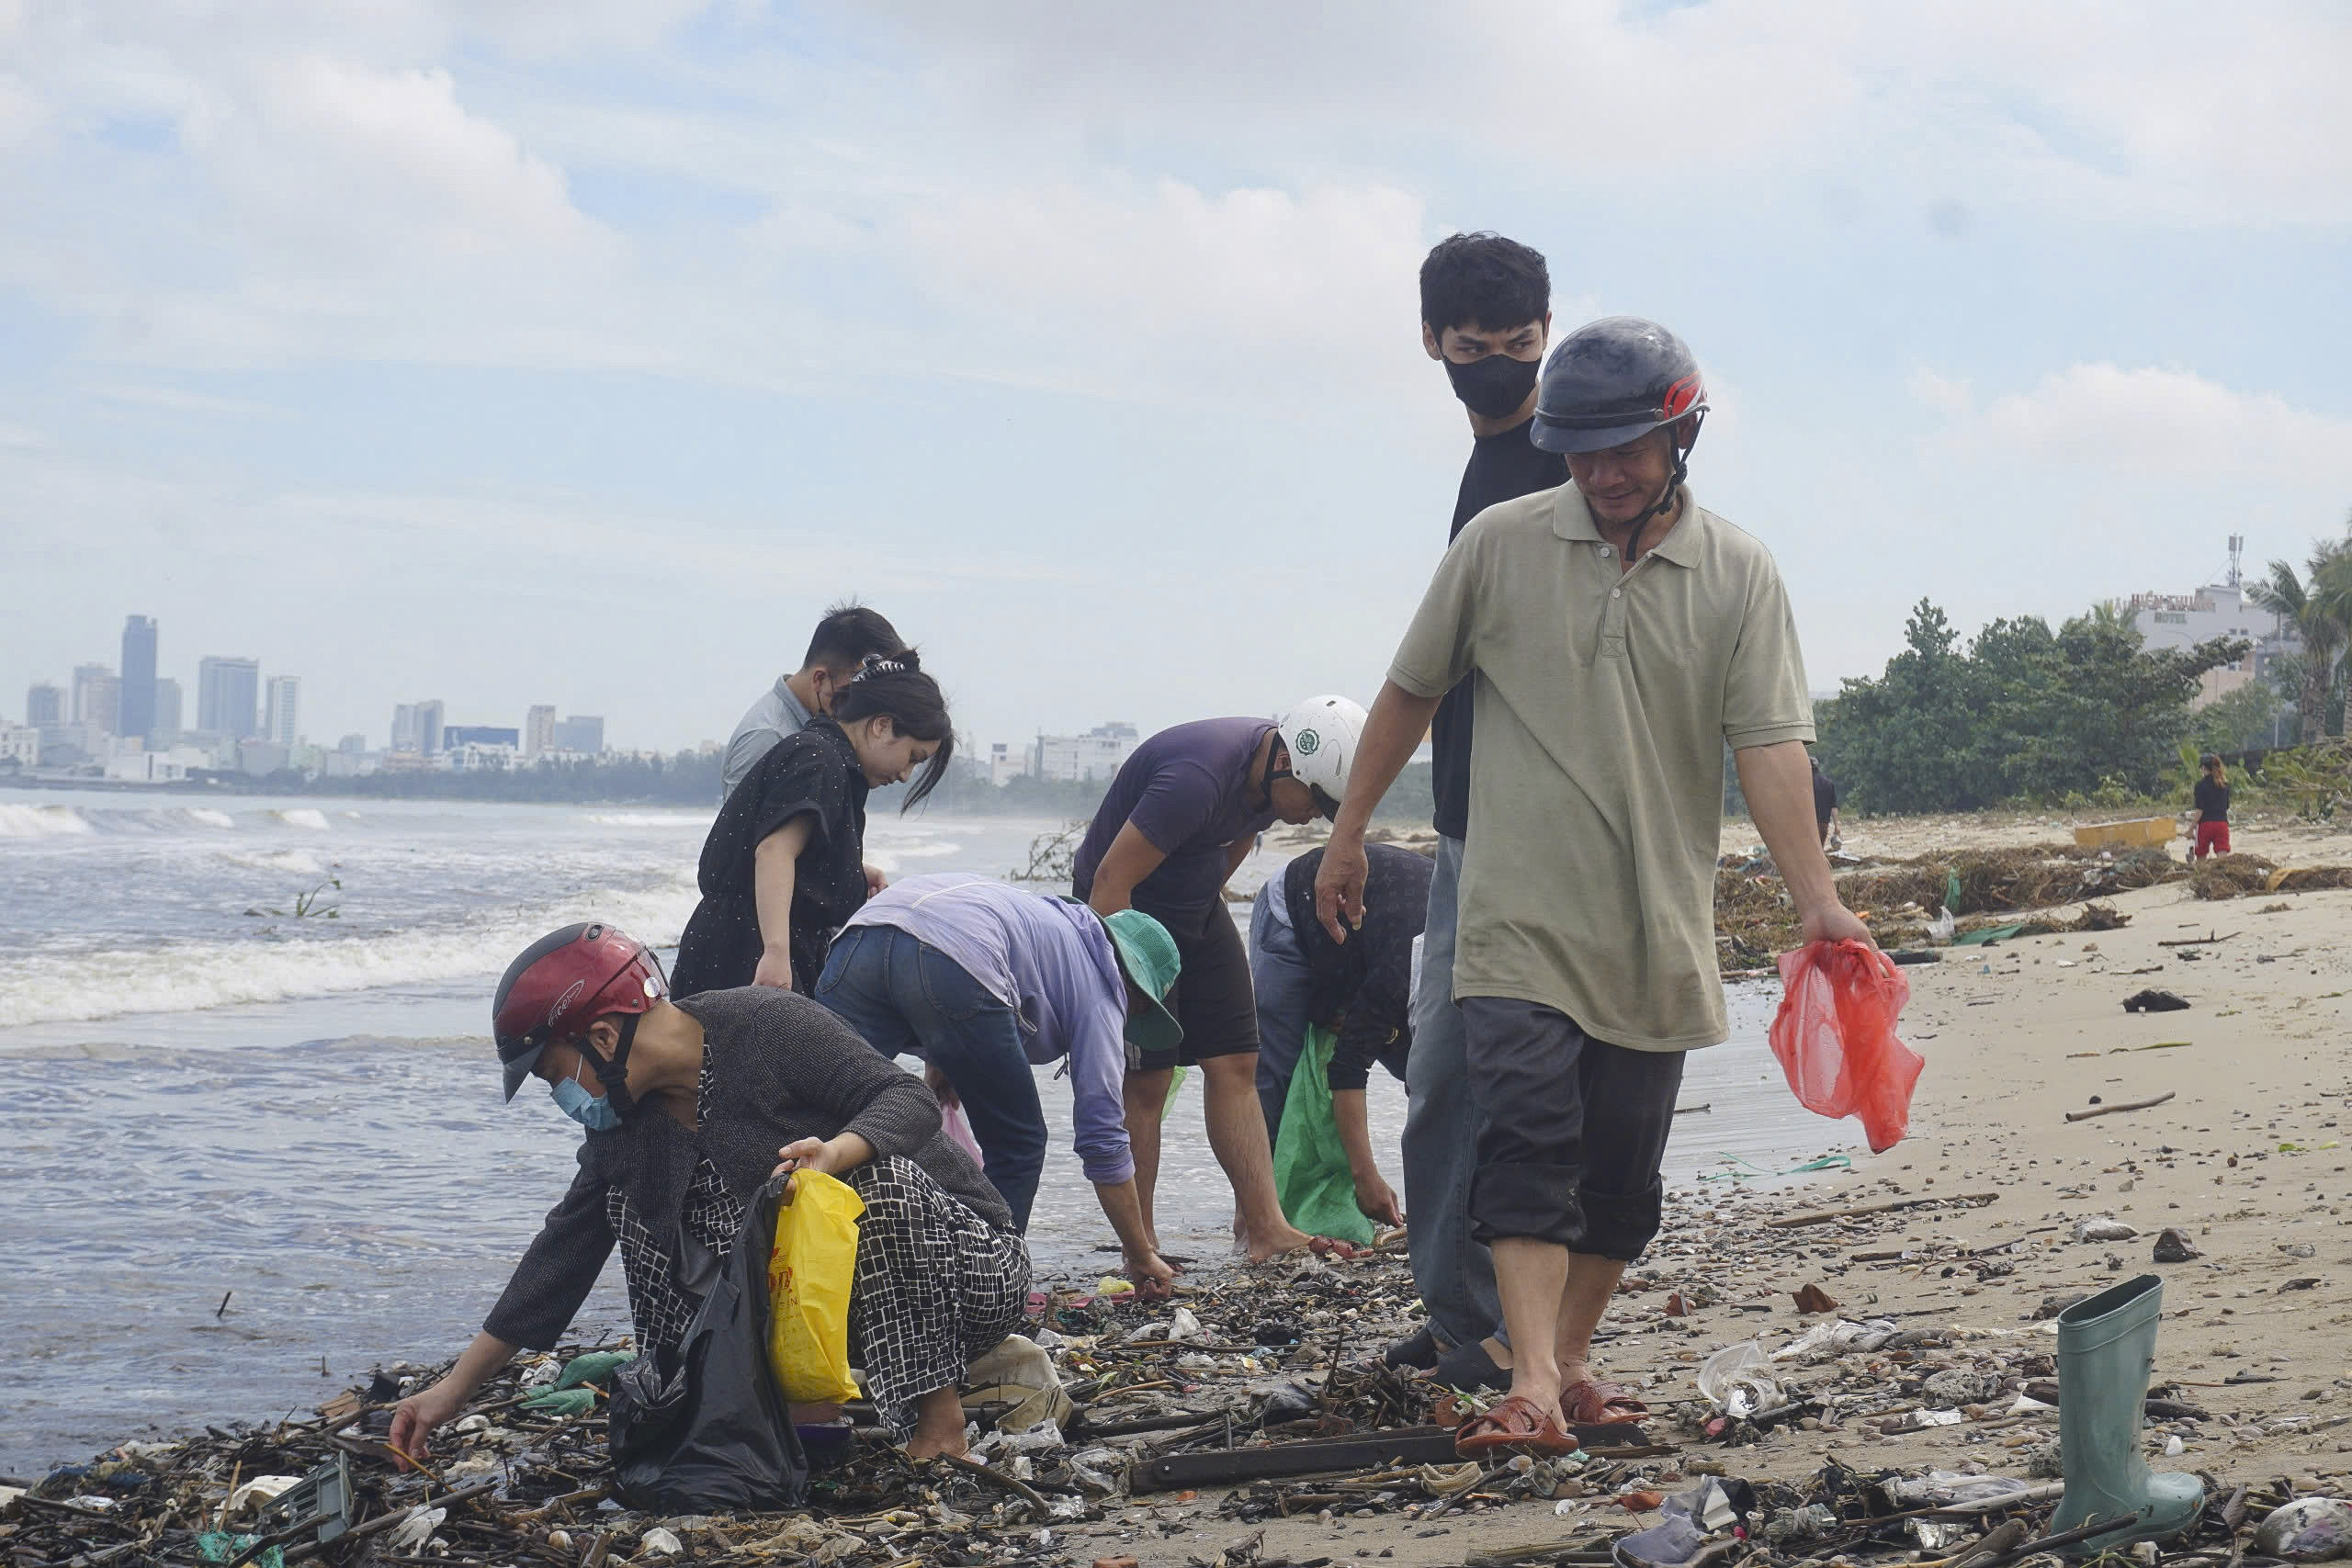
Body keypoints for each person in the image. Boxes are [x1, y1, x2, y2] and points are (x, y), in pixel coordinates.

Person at [1317, 317, 1871, 1456]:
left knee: (1620, 1176)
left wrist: (1816, 899)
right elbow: (1410, 690)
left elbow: (1768, 749)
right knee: (1525, 1146)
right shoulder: (1497, 543)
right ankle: (1523, 1379)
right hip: (1517, 915)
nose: (1603, 475)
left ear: (1683, 432)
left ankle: (1569, 1359)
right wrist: (1351, 831)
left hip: (1654, 922)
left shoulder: (1738, 572)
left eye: (1627, 450)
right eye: (1581, 453)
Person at [387, 923, 1028, 1461]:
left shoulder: (766, 1024)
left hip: (966, 1273)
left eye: (557, 1073)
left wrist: (836, 1152)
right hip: (836, 1313)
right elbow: (562, 1252)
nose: (564, 1096)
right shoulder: (626, 1127)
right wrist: (451, 1389)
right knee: (629, 1206)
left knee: (868, 1181)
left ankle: (940, 1423)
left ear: (603, 1038)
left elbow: (906, 1097)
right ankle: (705, 1415)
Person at [1390, 231, 1573, 1390]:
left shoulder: (1572, 465)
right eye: (1474, 351)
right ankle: (1464, 1320)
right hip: (1465, 818)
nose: (1498, 369)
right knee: (1443, 1084)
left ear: (1547, 335)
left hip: (1539, 823)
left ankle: (1512, 1334)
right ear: (1433, 348)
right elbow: (1432, 669)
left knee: (1490, 1080)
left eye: (1517, 348)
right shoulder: (1479, 476)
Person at [1072, 696, 1364, 1263]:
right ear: (1286, 763)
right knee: (1147, 1079)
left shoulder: (1270, 790)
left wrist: (1201, 916)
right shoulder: (1197, 777)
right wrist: (1126, 983)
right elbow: (1108, 882)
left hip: (1194, 907)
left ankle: (1266, 1227)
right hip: (1127, 909)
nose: (1313, 817)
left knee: (1236, 1061)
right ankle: (1142, 1246)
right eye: (1316, 802)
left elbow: (1231, 848)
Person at [815, 871, 1186, 1295]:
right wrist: (1139, 1253)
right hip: (954, 958)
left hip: (859, 937)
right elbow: (1103, 1136)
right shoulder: (1104, 987)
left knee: (828, 1113)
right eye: (1139, 1011)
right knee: (1018, 1143)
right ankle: (989, 1287)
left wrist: (942, 1059)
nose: (1129, 1019)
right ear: (1135, 990)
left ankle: (812, 1267)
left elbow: (923, 942)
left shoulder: (1050, 923)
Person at [672, 655, 953, 998]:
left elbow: (784, 847)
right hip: (747, 951)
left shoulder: (826, 756)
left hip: (750, 941)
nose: (906, 775)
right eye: (913, 757)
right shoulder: (821, 760)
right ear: (881, 725)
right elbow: (773, 850)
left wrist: (849, 870)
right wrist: (776, 953)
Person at [1249, 842, 1430, 1227]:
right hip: (1299, 904)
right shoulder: (1395, 980)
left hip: (1376, 929)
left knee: (1424, 1071)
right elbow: (1347, 1070)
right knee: (1275, 1076)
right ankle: (1253, 1221)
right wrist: (1367, 1178)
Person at [722, 604, 912, 799]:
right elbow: (738, 828)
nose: (866, 709)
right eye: (857, 693)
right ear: (820, 679)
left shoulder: (818, 733)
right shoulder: (768, 737)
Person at [2189, 753, 2231, 859]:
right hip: (2222, 824)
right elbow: (2226, 807)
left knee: (2201, 857)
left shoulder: (2200, 785)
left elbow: (2200, 810)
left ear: (2203, 768)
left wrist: (2190, 828)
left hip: (2205, 826)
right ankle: (2224, 875)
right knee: (2223, 858)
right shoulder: (2224, 784)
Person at [1812, 751, 1841, 850]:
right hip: (1824, 824)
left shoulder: (1805, 784)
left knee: (1811, 851)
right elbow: (1834, 806)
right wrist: (1837, 826)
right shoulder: (1829, 783)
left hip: (1810, 824)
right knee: (1820, 850)